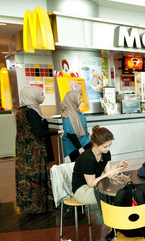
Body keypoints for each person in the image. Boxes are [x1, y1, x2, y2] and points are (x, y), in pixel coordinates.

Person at [15, 85, 63, 213]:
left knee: (27, 178)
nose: (43, 96)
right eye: (41, 94)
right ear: (33, 96)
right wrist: (56, 132)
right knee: (37, 176)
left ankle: (29, 205)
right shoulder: (32, 112)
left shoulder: (22, 110)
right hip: (34, 151)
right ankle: (39, 205)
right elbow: (38, 132)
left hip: (24, 150)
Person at [72, 126, 125, 205]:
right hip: (83, 190)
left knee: (123, 191)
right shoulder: (87, 158)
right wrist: (108, 174)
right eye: (105, 146)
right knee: (114, 196)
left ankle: (115, 216)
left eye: (110, 145)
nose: (108, 149)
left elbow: (109, 176)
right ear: (95, 144)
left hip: (96, 185)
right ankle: (111, 216)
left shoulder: (105, 153)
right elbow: (91, 184)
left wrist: (119, 167)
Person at [61, 90, 91, 162]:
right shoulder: (67, 115)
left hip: (84, 142)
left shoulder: (77, 112)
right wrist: (79, 148)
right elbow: (70, 133)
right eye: (79, 98)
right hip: (75, 147)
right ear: (73, 100)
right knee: (79, 166)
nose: (81, 100)